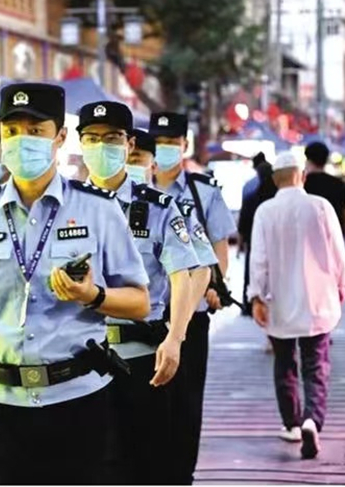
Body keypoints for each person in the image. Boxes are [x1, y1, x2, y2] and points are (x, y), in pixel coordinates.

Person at [0, 83, 151, 485]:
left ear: (60, 137)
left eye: (35, 130)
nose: (21, 141)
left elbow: (139, 302)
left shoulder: (98, 210)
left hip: (78, 402)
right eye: (11, 131)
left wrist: (94, 296)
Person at [78, 102, 214, 484]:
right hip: (79, 358)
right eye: (92, 139)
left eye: (111, 138)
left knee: (147, 464)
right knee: (89, 466)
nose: (101, 148)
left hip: (139, 356)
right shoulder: (63, 206)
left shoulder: (158, 207)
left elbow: (189, 272)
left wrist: (176, 337)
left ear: (129, 144)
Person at [248, 151, 345, 459]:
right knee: (316, 363)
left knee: (284, 363)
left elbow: (258, 259)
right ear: (302, 176)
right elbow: (338, 252)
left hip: (278, 302)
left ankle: (292, 424)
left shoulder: (265, 211)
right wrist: (341, 283)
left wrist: (256, 296)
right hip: (318, 299)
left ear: (275, 179)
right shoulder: (320, 206)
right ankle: (312, 420)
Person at [152, 112, 237, 484]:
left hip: (191, 314)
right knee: (149, 399)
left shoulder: (203, 191)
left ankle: (181, 474)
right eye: (158, 142)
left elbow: (219, 249)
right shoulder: (135, 189)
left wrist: (214, 285)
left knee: (186, 399)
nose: (164, 149)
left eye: (171, 143)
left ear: (184, 146)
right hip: (146, 313)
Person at [238, 162, 278, 317]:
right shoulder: (276, 198)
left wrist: (241, 243)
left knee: (251, 272)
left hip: (252, 241)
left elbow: (243, 223)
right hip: (275, 243)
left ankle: (249, 305)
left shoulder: (251, 196)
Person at [304, 142, 345, 237]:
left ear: (307, 160)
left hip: (308, 237)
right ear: (326, 160)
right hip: (333, 236)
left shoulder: (301, 185)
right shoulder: (339, 185)